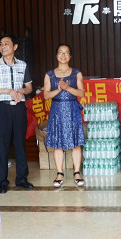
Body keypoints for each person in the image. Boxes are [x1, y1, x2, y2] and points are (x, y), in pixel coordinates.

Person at [0, 34, 34, 194]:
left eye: (6, 43)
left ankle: (22, 179)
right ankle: (2, 182)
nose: (3, 46)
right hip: (3, 108)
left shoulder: (23, 65)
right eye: (1, 44)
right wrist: (7, 91)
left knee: (20, 144)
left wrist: (21, 91)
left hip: (19, 108)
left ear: (15, 47)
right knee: (2, 145)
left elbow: (29, 87)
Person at [43, 43, 85, 188]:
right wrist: (59, 90)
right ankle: (59, 173)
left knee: (76, 142)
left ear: (70, 56)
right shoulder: (49, 74)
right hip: (57, 110)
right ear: (56, 55)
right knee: (57, 143)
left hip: (72, 109)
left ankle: (77, 173)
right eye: (60, 52)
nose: (63, 55)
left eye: (66, 53)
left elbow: (81, 93)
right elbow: (46, 95)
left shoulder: (76, 73)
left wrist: (68, 88)